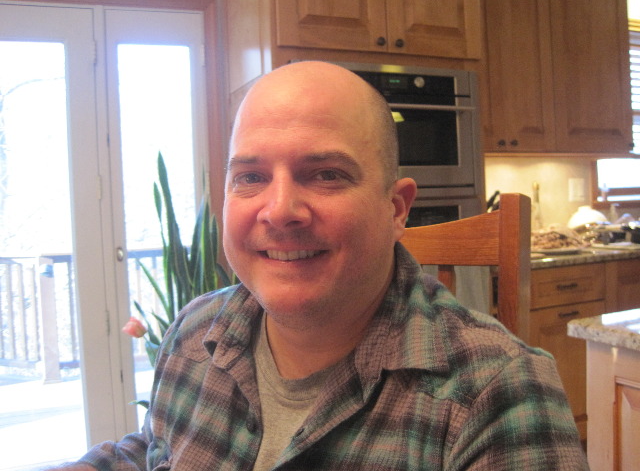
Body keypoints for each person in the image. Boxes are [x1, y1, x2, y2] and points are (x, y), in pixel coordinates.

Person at [56, 61, 588, 470]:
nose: (280, 210)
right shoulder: (195, 333)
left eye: (327, 174)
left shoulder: (499, 394)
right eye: (250, 177)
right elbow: (158, 449)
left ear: (395, 209)